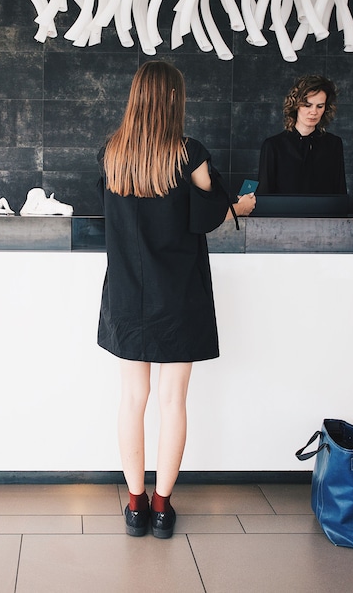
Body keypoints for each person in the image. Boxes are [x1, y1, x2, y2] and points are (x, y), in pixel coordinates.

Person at [97, 61, 255, 540]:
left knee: (132, 400)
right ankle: (162, 508)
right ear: (173, 100)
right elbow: (207, 215)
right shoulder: (189, 154)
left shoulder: (112, 154)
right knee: (173, 401)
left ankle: (135, 506)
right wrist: (236, 206)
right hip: (180, 294)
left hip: (128, 292)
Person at [257, 74, 347, 195]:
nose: (314, 112)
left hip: (323, 208)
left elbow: (340, 190)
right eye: (307, 105)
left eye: (320, 106)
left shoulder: (333, 144)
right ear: (296, 105)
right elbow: (264, 192)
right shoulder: (273, 145)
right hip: (282, 208)